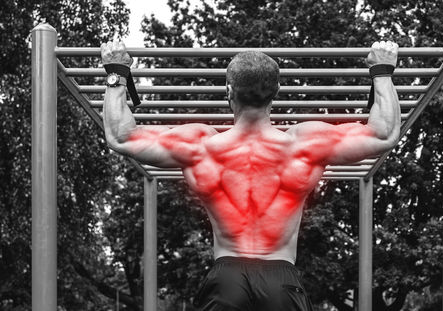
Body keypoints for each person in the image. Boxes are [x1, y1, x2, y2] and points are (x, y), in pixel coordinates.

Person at [100, 40, 400, 311]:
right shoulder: (305, 145)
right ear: (276, 92)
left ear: (228, 91)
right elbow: (382, 133)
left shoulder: (200, 145)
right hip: (281, 278)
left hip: (226, 278)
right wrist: (382, 71)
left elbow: (121, 137)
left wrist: (116, 73)